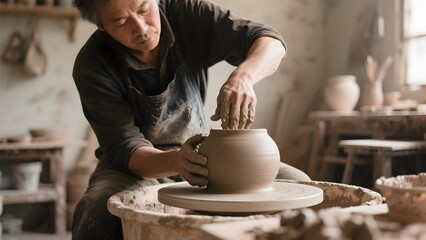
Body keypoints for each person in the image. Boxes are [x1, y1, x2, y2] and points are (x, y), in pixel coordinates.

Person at [71, 0, 310, 239]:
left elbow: (269, 41)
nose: (141, 28)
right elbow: (126, 148)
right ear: (101, 25)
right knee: (99, 208)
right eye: (121, 22)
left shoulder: (187, 15)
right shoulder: (92, 65)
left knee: (299, 185)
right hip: (133, 168)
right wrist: (176, 162)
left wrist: (244, 76)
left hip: (201, 156)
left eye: (144, 9)